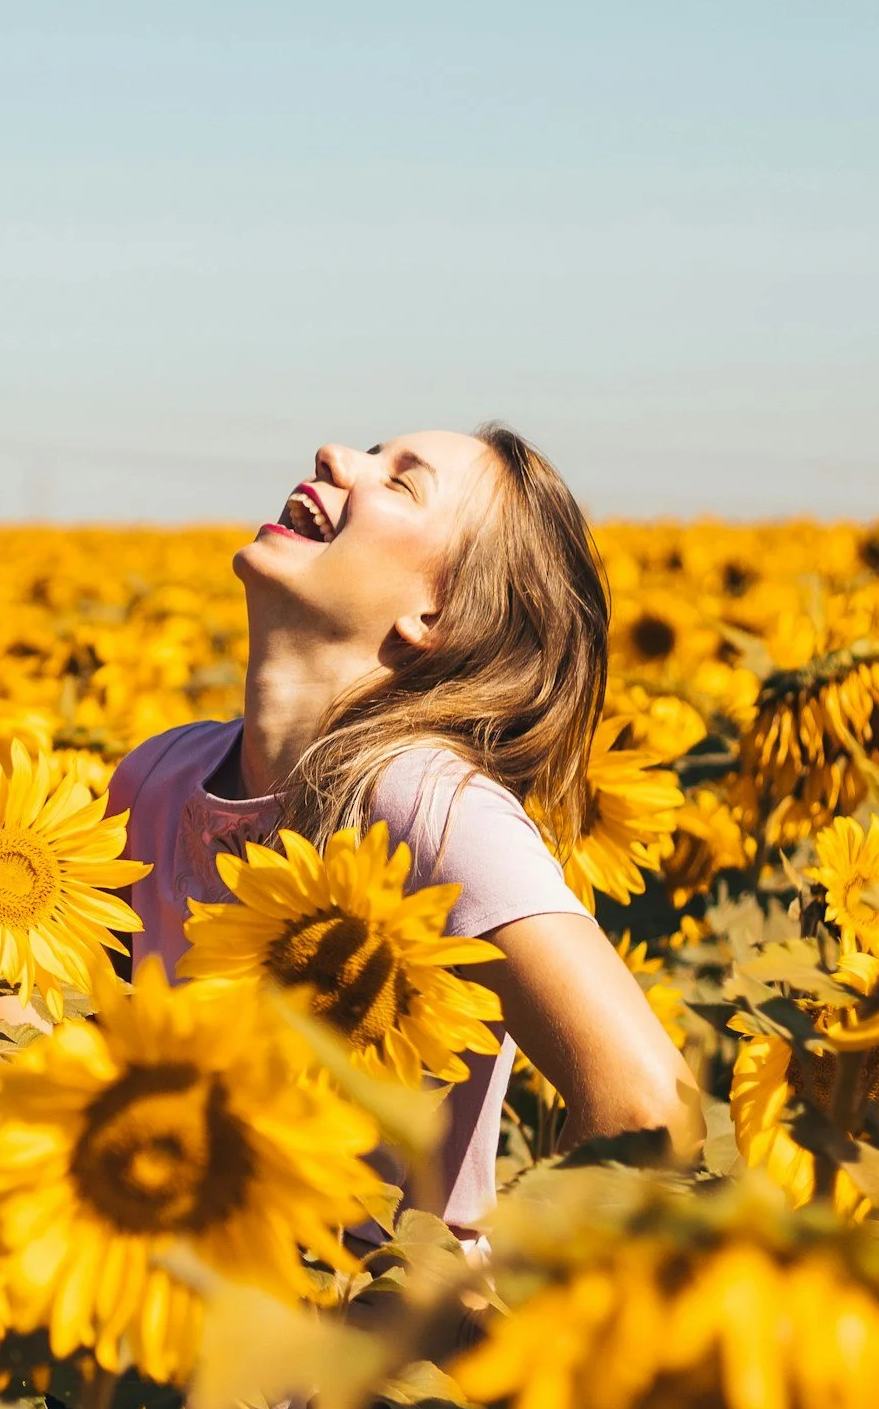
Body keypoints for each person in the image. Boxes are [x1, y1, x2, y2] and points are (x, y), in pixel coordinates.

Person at [113, 427, 699, 1231]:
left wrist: (473, 1312)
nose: (333, 456)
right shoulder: (155, 778)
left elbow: (646, 1104)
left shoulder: (424, 803)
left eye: (400, 482)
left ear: (438, 614)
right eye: (367, 451)